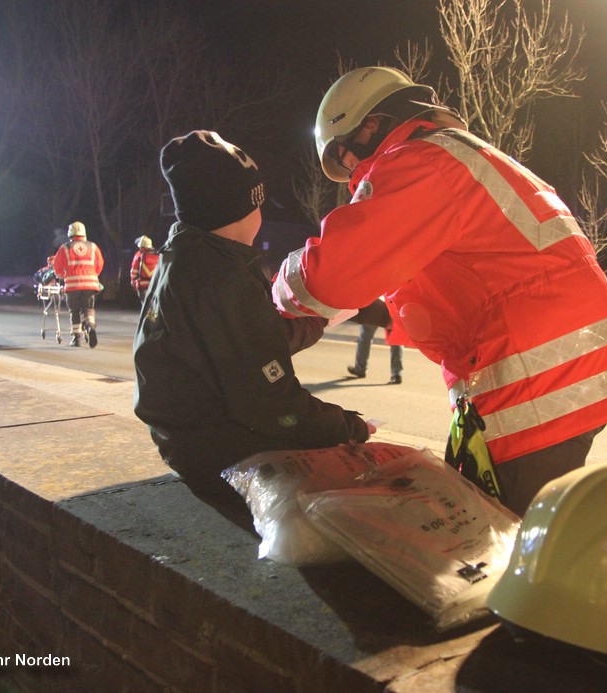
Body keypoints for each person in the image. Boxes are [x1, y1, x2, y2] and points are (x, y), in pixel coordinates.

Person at [272, 67, 607, 516]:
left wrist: (272, 296)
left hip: (534, 372)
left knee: (499, 534)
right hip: (558, 363)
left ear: (370, 125)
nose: (351, 170)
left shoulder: (418, 162)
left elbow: (334, 274)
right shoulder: (461, 156)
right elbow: (397, 278)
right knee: (495, 515)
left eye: (345, 155)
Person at [134, 130, 371, 518]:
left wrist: (319, 320)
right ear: (237, 211)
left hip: (184, 438)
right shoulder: (219, 279)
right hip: (213, 451)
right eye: (258, 204)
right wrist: (347, 427)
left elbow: (252, 341)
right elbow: (273, 406)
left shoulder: (187, 257)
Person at [53, 221, 104, 348]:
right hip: (90, 285)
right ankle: (90, 326)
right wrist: (92, 274)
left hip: (72, 286)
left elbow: (57, 267)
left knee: (74, 311)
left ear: (70, 234)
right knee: (88, 309)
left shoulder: (65, 248)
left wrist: (61, 275)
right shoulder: (93, 246)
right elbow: (100, 264)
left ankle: (76, 339)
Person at [347, 298, 403, 384]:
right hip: (392, 303)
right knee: (396, 338)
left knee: (365, 336)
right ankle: (396, 374)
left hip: (376, 303)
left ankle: (360, 369)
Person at [129, 235, 159, 301]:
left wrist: (133, 282)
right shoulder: (158, 255)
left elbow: (134, 271)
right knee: (154, 306)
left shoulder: (139, 255)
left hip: (142, 286)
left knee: (145, 306)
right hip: (155, 285)